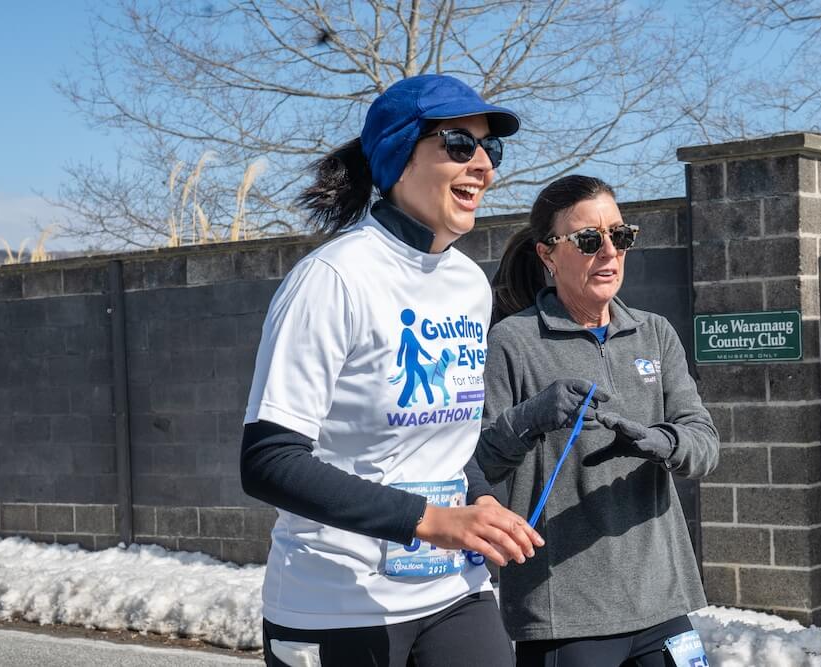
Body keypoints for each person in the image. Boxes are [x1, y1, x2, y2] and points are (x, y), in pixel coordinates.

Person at [240, 74, 544, 667]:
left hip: (452, 592)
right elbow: (268, 462)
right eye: (460, 144)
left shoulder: (467, 284)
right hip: (335, 603)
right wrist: (429, 521)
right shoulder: (333, 279)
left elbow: (448, 443)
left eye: (490, 149)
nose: (483, 165)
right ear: (400, 155)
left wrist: (476, 503)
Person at [477, 175, 720, 667]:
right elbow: (478, 466)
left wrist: (663, 441)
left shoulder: (655, 333)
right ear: (548, 255)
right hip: (565, 611)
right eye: (588, 240)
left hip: (662, 601)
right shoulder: (510, 342)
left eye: (621, 236)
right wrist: (529, 417)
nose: (609, 251)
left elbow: (705, 444)